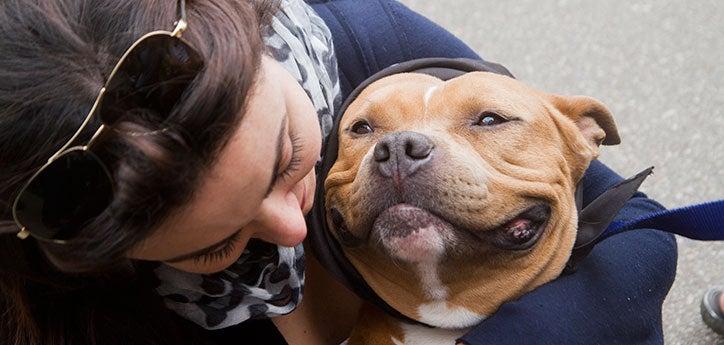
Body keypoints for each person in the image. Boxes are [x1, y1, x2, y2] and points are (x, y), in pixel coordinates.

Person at [0, 0, 677, 344]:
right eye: (215, 245)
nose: (297, 225)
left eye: (292, 149)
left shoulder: (361, 40)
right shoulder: (88, 314)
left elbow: (637, 227)